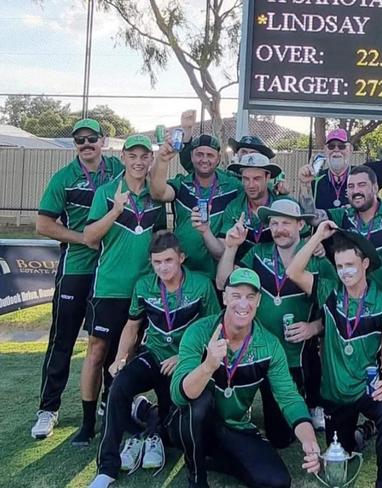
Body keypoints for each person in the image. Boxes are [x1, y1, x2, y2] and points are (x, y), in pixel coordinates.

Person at [88, 231, 220, 488]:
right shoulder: (144, 285)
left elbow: (215, 329)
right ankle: (107, 468)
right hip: (154, 356)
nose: (163, 267)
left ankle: (148, 419)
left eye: (168, 260)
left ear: (181, 258)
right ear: (151, 262)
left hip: (187, 362)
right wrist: (120, 358)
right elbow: (132, 325)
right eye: (157, 262)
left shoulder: (202, 285)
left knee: (175, 431)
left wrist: (183, 356)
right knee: (117, 387)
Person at [169, 268, 321, 488]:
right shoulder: (199, 332)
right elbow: (179, 396)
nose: (243, 304)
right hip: (190, 422)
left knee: (276, 482)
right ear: (225, 297)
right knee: (199, 403)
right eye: (236, 296)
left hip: (233, 426)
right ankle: (196, 476)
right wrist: (208, 366)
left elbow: (289, 398)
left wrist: (309, 440)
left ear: (259, 301)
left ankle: (215, 458)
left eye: (250, 297)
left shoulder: (269, 345)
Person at [286, 221, 382, 488]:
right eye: (339, 267)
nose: (344, 272)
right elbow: (293, 271)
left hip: (367, 387)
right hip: (335, 393)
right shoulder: (329, 291)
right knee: (342, 454)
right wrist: (317, 236)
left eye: (350, 265)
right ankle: (364, 432)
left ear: (365, 264)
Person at [31, 118, 124, 439]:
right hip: (77, 270)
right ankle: (48, 408)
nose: (86, 144)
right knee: (63, 342)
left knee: (109, 342)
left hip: (111, 272)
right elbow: (43, 225)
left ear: (103, 141)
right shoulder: (64, 177)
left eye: (92, 138)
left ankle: (108, 402)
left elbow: (149, 178)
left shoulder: (118, 170)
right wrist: (83, 237)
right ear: (75, 145)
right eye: (80, 140)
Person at [216, 199, 337, 443]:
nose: (279, 229)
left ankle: (308, 403)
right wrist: (230, 248)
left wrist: (313, 327)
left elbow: (339, 311)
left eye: (286, 223)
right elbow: (222, 283)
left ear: (300, 225)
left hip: (295, 357)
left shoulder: (318, 260)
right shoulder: (258, 254)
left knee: (281, 438)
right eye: (274, 223)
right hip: (256, 352)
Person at [72, 134, 166, 446]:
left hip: (142, 291)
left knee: (127, 356)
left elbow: (162, 240)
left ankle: (118, 414)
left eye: (144, 157)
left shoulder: (156, 197)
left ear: (149, 161)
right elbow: (89, 237)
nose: (139, 162)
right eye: (133, 156)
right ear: (123, 158)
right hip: (108, 288)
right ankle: (88, 425)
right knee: (97, 354)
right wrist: (115, 210)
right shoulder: (106, 192)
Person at [149, 134, 241, 278]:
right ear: (191, 156)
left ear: (219, 157)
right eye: (199, 154)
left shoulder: (233, 186)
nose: (204, 159)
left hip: (218, 271)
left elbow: (254, 189)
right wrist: (163, 160)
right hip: (183, 271)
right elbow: (159, 193)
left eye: (210, 155)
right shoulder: (181, 184)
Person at [325, 165, 382, 295]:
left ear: (375, 188)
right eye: (351, 187)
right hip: (353, 305)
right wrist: (305, 186)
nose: (356, 191)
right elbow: (313, 216)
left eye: (361, 185)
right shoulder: (342, 216)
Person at [211, 153, 288, 260]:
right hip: (241, 272)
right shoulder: (234, 207)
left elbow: (303, 242)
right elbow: (222, 250)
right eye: (246, 179)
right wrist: (205, 230)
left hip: (276, 272)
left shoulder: (285, 206)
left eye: (257, 179)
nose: (250, 185)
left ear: (268, 177)